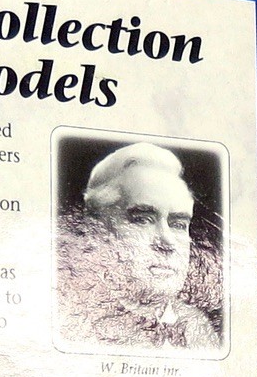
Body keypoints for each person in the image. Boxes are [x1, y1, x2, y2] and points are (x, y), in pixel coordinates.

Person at [57, 142, 222, 350]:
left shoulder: (200, 328)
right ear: (95, 230)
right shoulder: (69, 323)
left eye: (179, 224)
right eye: (143, 220)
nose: (167, 241)